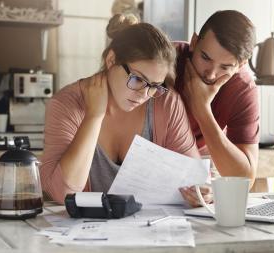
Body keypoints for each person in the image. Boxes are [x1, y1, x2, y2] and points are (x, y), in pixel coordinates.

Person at [40, 14, 212, 205]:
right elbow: (61, 193)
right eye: (137, 79)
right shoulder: (66, 104)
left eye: (154, 85)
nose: (144, 94)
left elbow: (194, 179)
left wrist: (202, 193)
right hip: (84, 232)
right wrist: (94, 116)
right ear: (111, 60)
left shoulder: (167, 102)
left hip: (150, 229)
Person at [176, 10, 260, 204]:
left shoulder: (242, 88)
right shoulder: (165, 61)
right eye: (205, 58)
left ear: (241, 64)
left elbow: (245, 179)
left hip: (191, 171)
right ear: (194, 42)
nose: (211, 74)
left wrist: (202, 110)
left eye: (225, 67)